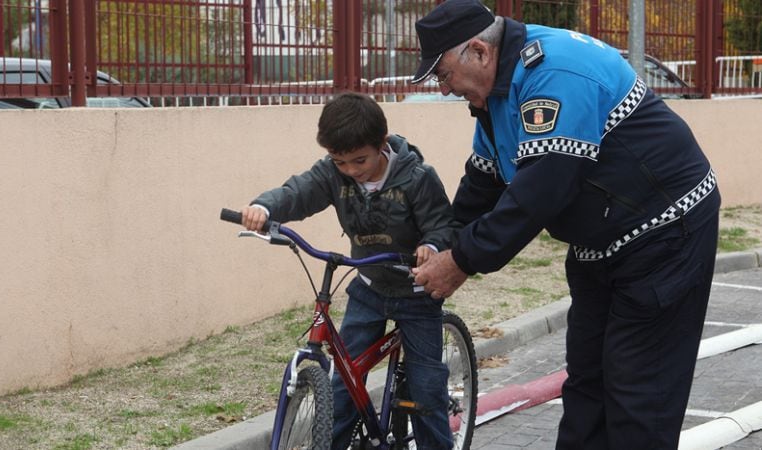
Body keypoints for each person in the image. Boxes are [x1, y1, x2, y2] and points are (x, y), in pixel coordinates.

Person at [409, 1, 721, 449]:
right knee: (586, 388)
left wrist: (461, 260)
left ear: (478, 51)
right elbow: (482, 184)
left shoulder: (554, 72)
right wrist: (441, 242)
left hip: (666, 232)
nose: (442, 90)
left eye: (442, 75)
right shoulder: (498, 93)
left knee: (638, 392)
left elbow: (542, 189)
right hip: (602, 242)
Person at [240, 92, 456, 449]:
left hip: (416, 292)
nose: (352, 171)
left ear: (382, 144)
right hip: (369, 287)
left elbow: (442, 224)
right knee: (343, 385)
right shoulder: (332, 174)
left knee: (427, 390)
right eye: (341, 162)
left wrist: (430, 247)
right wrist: (264, 208)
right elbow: (299, 192)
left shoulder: (417, 178)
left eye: (360, 160)